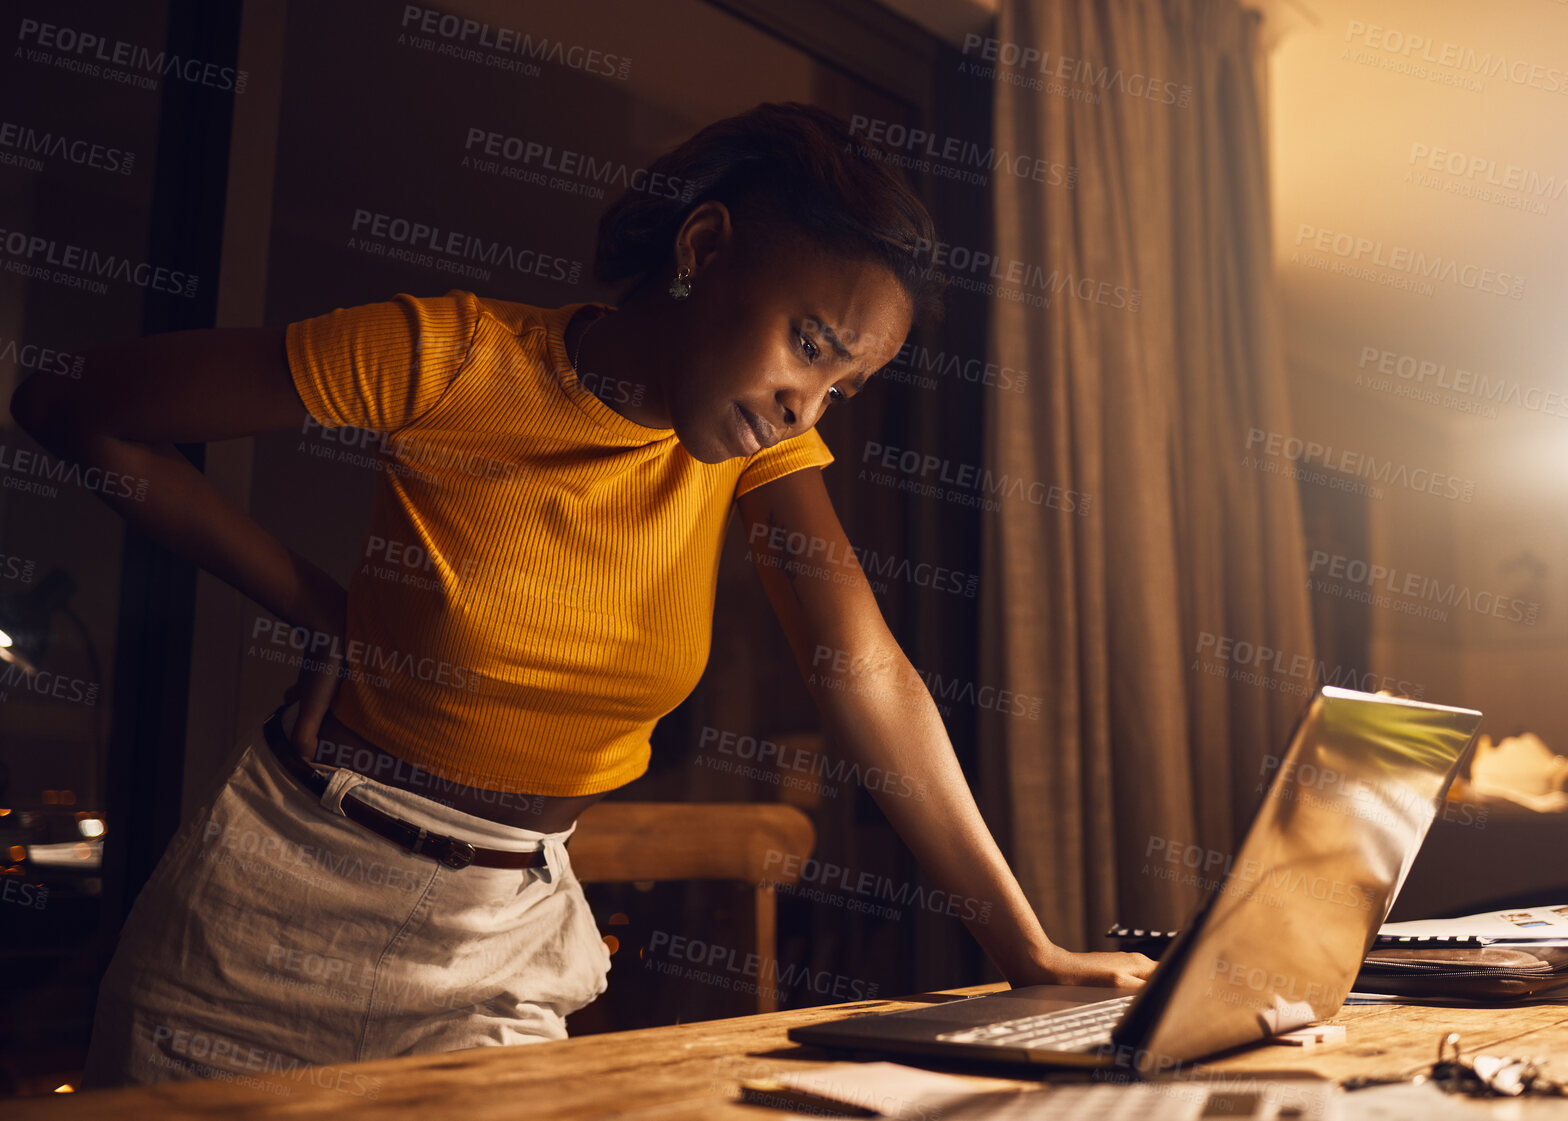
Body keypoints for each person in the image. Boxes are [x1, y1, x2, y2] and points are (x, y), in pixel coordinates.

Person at [11, 101, 1154, 1089]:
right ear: (704, 247)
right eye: (807, 345)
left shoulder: (756, 453)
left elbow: (865, 670)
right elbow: (72, 407)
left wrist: (1027, 947)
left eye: (842, 385)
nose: (809, 403)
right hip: (261, 923)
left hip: (501, 944)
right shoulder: (445, 356)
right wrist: (316, 604)